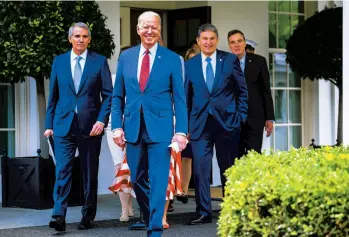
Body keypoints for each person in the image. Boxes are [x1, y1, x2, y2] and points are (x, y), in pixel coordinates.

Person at [112, 11, 188, 237]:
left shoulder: (172, 59)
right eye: (145, 27)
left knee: (158, 179)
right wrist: (117, 125)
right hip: (133, 128)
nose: (149, 31)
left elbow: (180, 98)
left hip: (161, 129)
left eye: (154, 27)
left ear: (159, 30)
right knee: (136, 178)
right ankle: (150, 216)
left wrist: (181, 131)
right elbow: (118, 96)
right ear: (138, 29)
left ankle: (155, 228)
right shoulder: (126, 57)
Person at [44, 22, 113, 231]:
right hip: (63, 126)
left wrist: (102, 121)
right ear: (70, 39)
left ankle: (87, 216)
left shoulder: (99, 62)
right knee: (62, 171)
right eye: (77, 36)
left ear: (89, 39)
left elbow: (108, 96)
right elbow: (53, 96)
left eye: (84, 36)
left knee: (89, 173)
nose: (80, 39)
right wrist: (49, 124)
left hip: (91, 127)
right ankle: (58, 216)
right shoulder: (59, 61)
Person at [185, 23, 248, 225]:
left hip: (227, 123)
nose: (208, 42)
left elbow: (242, 91)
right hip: (200, 125)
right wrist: (185, 127)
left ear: (217, 40)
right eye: (204, 38)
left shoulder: (229, 60)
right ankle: (204, 212)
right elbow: (186, 98)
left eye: (212, 38)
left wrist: (240, 117)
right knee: (201, 169)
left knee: (227, 168)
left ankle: (230, 209)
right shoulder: (190, 65)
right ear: (198, 41)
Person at [227, 29, 274, 156]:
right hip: (233, 120)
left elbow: (266, 91)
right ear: (229, 45)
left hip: (255, 118)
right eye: (233, 42)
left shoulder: (259, 61)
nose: (236, 45)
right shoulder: (224, 64)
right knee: (235, 158)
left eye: (239, 41)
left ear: (244, 43)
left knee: (254, 157)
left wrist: (270, 118)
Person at [107, 46, 135, 222]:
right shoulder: (111, 79)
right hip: (114, 128)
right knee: (120, 168)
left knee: (133, 168)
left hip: (135, 127)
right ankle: (125, 209)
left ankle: (130, 205)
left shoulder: (140, 77)